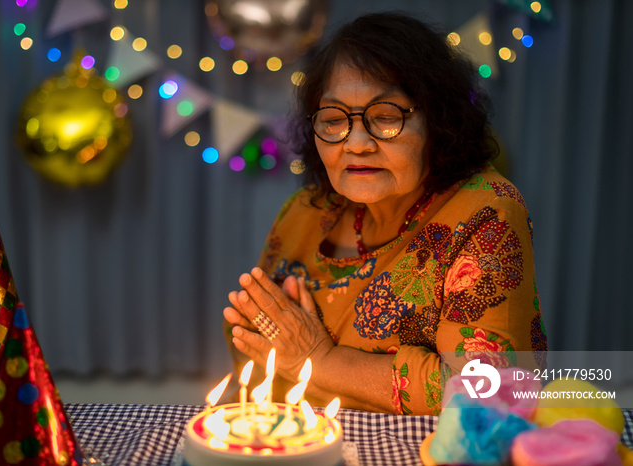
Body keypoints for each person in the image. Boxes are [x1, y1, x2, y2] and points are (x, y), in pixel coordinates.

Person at [223, 11, 547, 415]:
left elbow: (490, 391)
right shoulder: (305, 211)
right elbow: (257, 344)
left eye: (387, 117)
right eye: (334, 120)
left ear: (439, 120)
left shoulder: (487, 212)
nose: (356, 143)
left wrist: (319, 359)